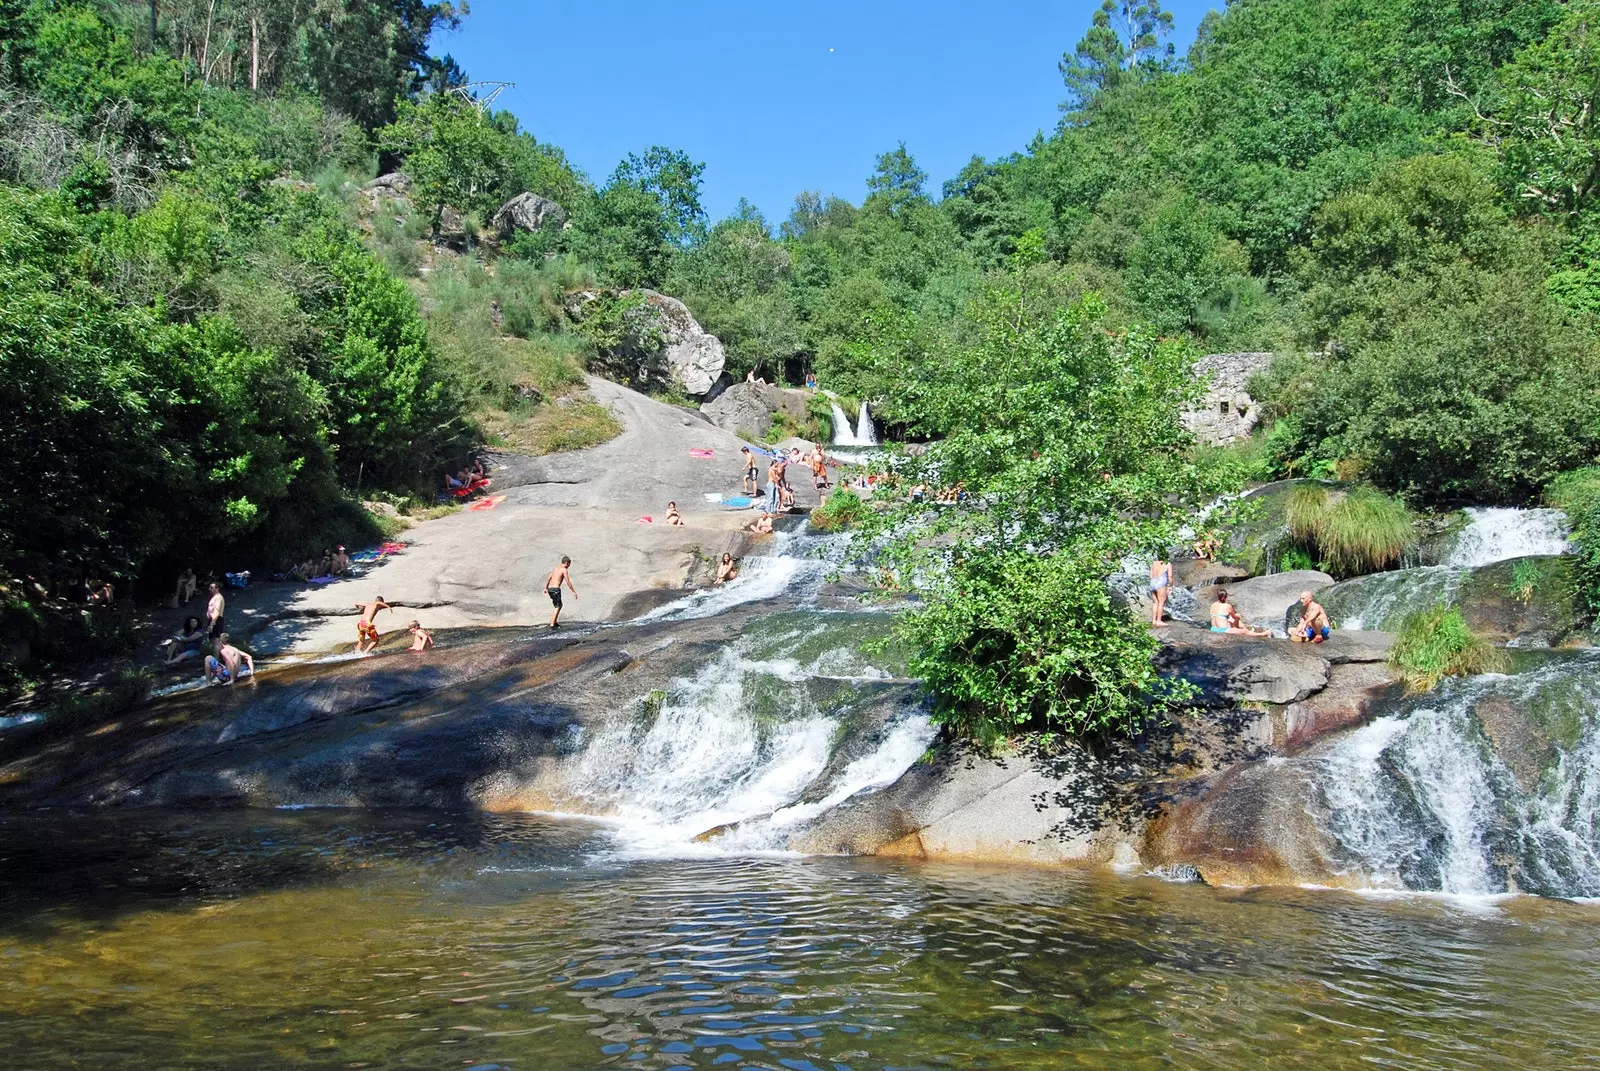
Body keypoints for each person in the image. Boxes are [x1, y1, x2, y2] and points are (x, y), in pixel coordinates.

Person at [544, 556, 577, 628]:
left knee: (559, 605)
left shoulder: (555, 569)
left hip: (550, 589)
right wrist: (573, 591)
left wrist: (546, 588)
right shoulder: (564, 570)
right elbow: (567, 581)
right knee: (558, 606)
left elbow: (549, 578)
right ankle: (552, 625)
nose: (569, 566)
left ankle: (555, 622)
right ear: (566, 563)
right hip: (556, 589)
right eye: (569, 564)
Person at [1149, 557, 1173, 627]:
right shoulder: (1167, 564)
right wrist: (1170, 586)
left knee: (1155, 603)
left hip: (1152, 582)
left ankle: (1154, 620)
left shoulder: (1153, 563)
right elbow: (1170, 576)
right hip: (1161, 583)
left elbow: (1150, 576)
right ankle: (1159, 621)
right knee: (1161, 603)